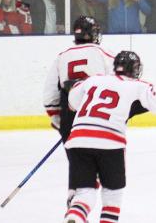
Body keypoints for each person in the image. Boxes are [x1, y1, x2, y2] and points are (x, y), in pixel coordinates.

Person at [64, 50, 156, 223]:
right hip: (110, 143)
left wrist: (76, 85)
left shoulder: (94, 79)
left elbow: (73, 101)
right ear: (135, 70)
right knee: (112, 196)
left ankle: (75, 216)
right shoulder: (138, 86)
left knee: (85, 192)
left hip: (78, 140)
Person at [42, 15, 114, 205]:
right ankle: (87, 198)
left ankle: (74, 201)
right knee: (97, 168)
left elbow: (50, 96)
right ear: (92, 34)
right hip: (97, 119)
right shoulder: (103, 54)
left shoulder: (61, 56)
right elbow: (119, 86)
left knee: (78, 166)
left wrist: (60, 121)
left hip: (69, 118)